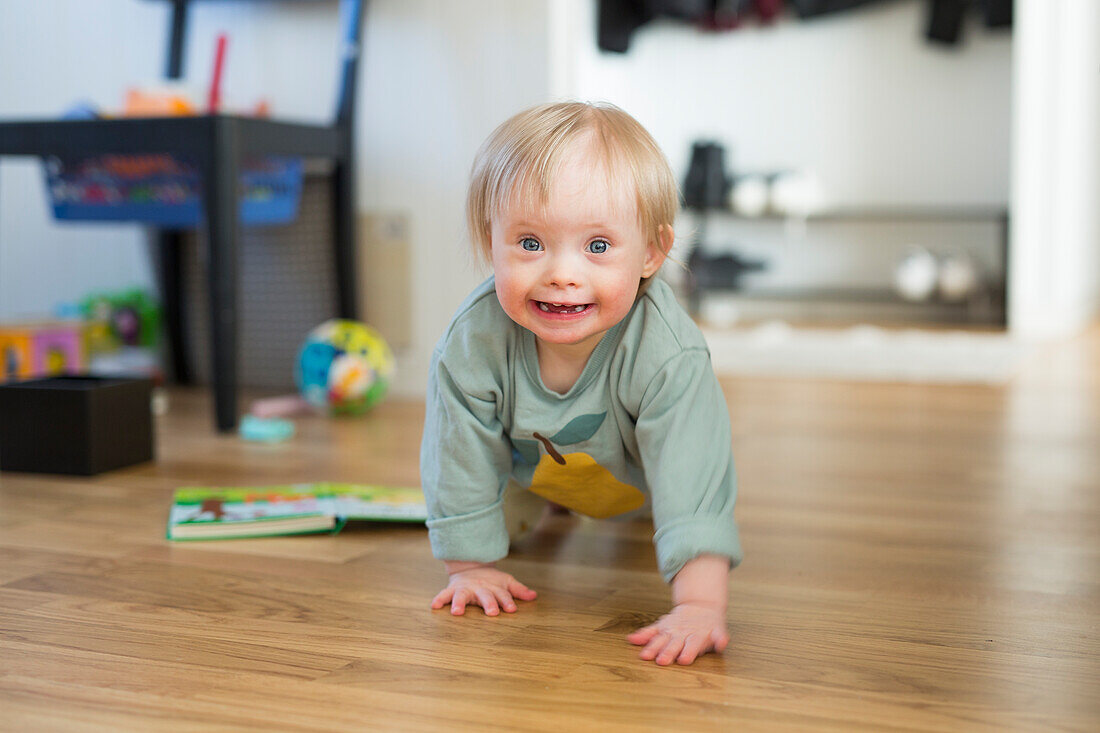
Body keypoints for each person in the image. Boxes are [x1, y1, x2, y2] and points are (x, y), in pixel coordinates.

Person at [420, 101, 742, 666]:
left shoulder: (669, 353)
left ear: (650, 253)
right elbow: (457, 457)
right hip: (528, 475)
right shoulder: (471, 344)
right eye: (529, 243)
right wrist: (469, 567)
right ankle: (550, 508)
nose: (561, 274)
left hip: (641, 483)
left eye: (597, 247)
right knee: (502, 524)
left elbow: (694, 475)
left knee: (665, 517)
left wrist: (699, 603)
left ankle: (628, 522)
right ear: (487, 238)